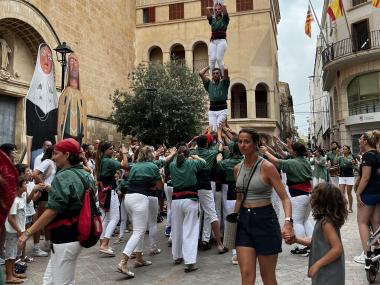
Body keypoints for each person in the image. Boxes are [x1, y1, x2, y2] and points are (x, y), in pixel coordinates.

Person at [18, 138, 95, 285]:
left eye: (56, 153)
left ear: (66, 155)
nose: (53, 157)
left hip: (66, 236)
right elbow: (74, 198)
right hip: (76, 234)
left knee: (63, 282)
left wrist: (26, 234)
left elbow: (53, 210)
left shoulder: (64, 176)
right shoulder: (86, 174)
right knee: (49, 280)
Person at [234, 128, 293, 285]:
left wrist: (287, 222)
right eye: (240, 141)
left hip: (265, 220)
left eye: (246, 141)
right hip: (244, 222)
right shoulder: (237, 169)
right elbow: (239, 200)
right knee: (246, 274)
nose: (242, 145)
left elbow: (285, 198)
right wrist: (233, 222)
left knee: (267, 276)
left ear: (255, 144)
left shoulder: (267, 167)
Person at [260, 141, 313, 256]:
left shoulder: (292, 162)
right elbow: (281, 155)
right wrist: (269, 146)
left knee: (297, 221)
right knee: (304, 220)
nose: (289, 150)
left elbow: (276, 161)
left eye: (290, 149)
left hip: (298, 195)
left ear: (294, 152)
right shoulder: (304, 161)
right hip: (307, 194)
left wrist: (265, 152)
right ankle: (312, 243)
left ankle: (303, 247)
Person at [117, 146, 163, 278]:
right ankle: (123, 262)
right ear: (150, 154)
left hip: (129, 198)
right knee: (138, 231)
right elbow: (160, 186)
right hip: (139, 198)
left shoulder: (135, 166)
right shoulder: (153, 166)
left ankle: (139, 258)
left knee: (138, 229)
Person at [290, 183, 346, 285]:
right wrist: (297, 240)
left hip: (329, 275)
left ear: (320, 201)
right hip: (325, 273)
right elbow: (317, 242)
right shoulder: (323, 221)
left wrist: (317, 265)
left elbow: (337, 249)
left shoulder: (326, 223)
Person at [169, 145, 206, 272]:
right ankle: (189, 261)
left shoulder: (172, 165)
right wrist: (196, 156)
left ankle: (177, 256)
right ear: (187, 154)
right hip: (190, 199)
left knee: (177, 228)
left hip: (176, 200)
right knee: (190, 230)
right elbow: (204, 163)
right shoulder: (192, 163)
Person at [190, 135, 228, 254]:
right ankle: (220, 244)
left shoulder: (192, 152)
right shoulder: (211, 153)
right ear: (207, 144)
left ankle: (194, 242)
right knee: (212, 213)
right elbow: (220, 145)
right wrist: (220, 133)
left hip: (192, 185)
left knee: (194, 215)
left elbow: (186, 148)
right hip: (205, 185)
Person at [25, 43, 58, 168]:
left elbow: (56, 133)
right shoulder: (30, 99)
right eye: (43, 55)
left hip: (54, 153)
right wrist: (27, 164)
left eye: (50, 57)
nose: (47, 59)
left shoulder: (54, 99)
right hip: (37, 151)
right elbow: (29, 134)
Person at [95, 142, 128, 255]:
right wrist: (124, 153)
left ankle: (102, 244)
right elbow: (125, 165)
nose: (112, 150)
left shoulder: (102, 160)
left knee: (106, 219)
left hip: (103, 192)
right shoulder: (108, 161)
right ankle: (104, 244)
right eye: (110, 149)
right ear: (104, 151)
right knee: (115, 218)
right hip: (110, 192)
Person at [354, 131, 380, 266]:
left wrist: (357, 194)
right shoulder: (378, 154)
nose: (358, 142)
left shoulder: (367, 157)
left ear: (365, 141)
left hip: (369, 194)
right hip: (378, 193)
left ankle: (367, 254)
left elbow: (365, 177)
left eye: (360, 140)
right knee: (376, 223)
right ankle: (377, 249)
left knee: (362, 223)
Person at [57, 53, 87, 144]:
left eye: (76, 61)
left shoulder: (81, 96)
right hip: (66, 133)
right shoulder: (65, 93)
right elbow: (60, 117)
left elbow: (84, 118)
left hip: (78, 134)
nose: (74, 64)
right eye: (71, 61)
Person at [32, 146, 56, 257]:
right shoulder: (47, 162)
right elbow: (35, 173)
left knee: (48, 220)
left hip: (50, 193)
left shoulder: (53, 163)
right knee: (40, 220)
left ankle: (47, 243)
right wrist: (44, 185)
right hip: (45, 194)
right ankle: (36, 247)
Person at [4, 176, 27, 284]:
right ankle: (9, 277)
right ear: (18, 187)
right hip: (13, 231)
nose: (26, 185)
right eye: (24, 184)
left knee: (14, 253)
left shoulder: (20, 199)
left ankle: (12, 273)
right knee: (10, 254)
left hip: (17, 231)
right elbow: (10, 218)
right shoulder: (14, 200)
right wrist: (19, 230)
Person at [199, 66, 230, 143]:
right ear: (212, 75)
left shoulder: (224, 83)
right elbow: (200, 73)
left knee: (219, 126)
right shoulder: (208, 84)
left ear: (220, 75)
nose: (215, 75)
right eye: (214, 73)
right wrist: (210, 66)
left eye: (217, 73)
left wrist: (220, 62)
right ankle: (213, 144)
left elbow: (226, 69)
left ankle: (221, 143)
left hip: (222, 109)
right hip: (212, 110)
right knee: (212, 129)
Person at [205, 3, 229, 76]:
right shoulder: (212, 20)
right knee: (212, 59)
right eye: (216, 10)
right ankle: (213, 77)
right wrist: (213, 8)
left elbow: (225, 7)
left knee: (219, 58)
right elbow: (206, 9)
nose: (217, 11)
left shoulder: (225, 19)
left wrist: (221, 7)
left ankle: (223, 76)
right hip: (213, 41)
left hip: (221, 41)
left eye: (218, 9)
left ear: (221, 10)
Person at [338, 145, 355, 213]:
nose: (344, 150)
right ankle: (343, 207)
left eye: (345, 149)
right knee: (341, 193)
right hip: (341, 176)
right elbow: (335, 162)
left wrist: (343, 157)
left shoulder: (351, 156)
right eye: (343, 149)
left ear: (349, 150)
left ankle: (350, 208)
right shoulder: (340, 157)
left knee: (349, 193)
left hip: (349, 176)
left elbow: (349, 162)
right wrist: (337, 154)